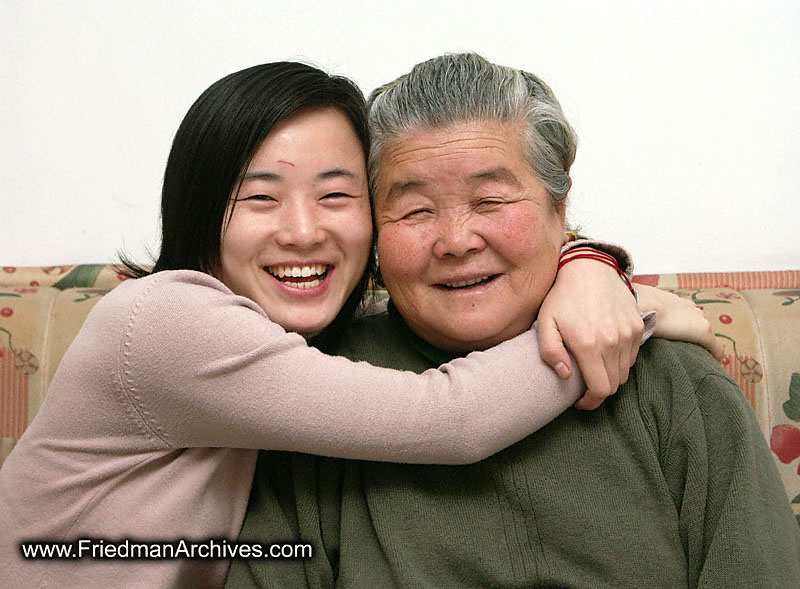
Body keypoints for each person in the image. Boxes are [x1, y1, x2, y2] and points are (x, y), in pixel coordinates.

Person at [0, 62, 682, 588]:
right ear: (199, 209)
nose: (305, 231)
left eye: (336, 195)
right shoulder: (166, 321)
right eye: (260, 197)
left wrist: (589, 266)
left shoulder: (295, 340)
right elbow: (447, 415)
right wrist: (631, 311)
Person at [230, 54, 800, 588]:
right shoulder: (315, 389)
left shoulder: (675, 383)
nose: (456, 241)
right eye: (416, 210)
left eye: (490, 202)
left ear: (560, 207)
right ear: (374, 230)